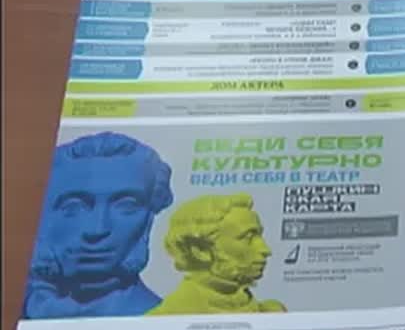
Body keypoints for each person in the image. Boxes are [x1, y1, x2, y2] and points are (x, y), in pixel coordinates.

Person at [24, 132, 174, 319]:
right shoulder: (26, 303)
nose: (97, 230)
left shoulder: (159, 316)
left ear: (149, 217)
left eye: (126, 206)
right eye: (73, 207)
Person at [147, 194, 286, 315]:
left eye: (259, 236)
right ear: (201, 251)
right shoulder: (163, 320)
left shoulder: (270, 313)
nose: (266, 250)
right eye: (248, 237)